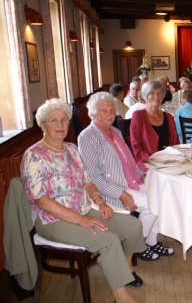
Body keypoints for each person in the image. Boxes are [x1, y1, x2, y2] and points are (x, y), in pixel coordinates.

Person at [21, 99, 147, 303]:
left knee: (132, 225)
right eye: (53, 120)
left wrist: (101, 202)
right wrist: (80, 220)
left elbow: (88, 182)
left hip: (85, 209)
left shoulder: (71, 149)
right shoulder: (34, 156)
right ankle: (122, 298)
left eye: (63, 120)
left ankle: (126, 271)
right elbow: (42, 201)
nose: (60, 125)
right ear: (42, 124)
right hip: (53, 220)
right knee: (108, 240)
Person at [78, 92, 174, 262]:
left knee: (163, 193)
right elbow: (94, 177)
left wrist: (142, 175)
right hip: (110, 189)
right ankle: (137, 245)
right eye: (103, 110)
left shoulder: (115, 131)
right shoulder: (87, 137)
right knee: (151, 202)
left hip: (130, 180)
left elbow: (129, 160)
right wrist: (120, 194)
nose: (109, 113)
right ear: (93, 113)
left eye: (111, 110)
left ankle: (151, 242)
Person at [131, 81, 180, 171]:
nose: (156, 97)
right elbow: (136, 146)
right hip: (147, 162)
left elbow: (176, 143)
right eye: (152, 93)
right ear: (145, 96)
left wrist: (176, 158)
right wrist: (151, 159)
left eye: (159, 93)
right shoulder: (138, 116)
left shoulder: (168, 117)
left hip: (169, 161)